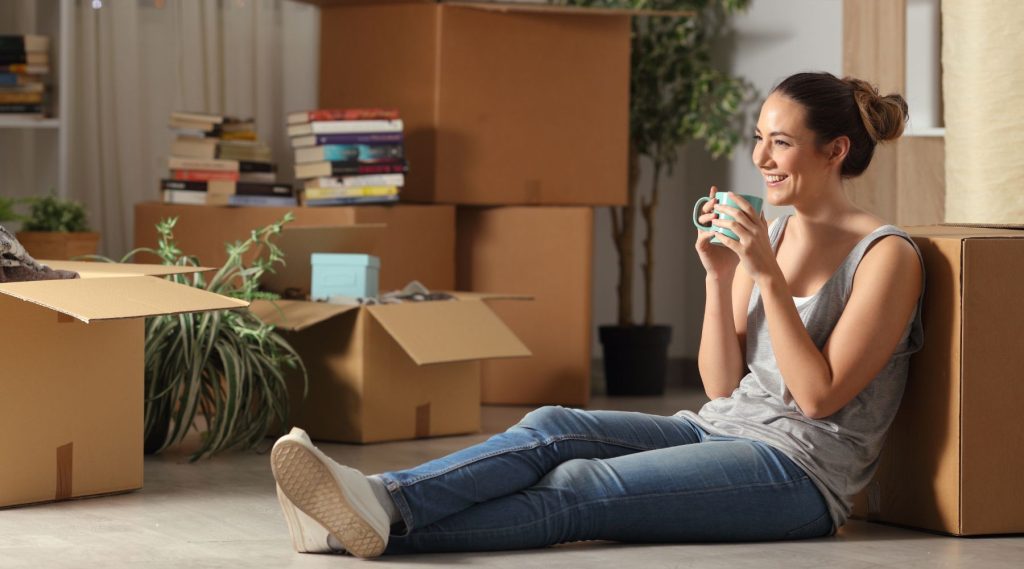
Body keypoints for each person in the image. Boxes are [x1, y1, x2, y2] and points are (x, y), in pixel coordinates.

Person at [268, 71, 925, 558]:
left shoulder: (886, 256)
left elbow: (815, 397)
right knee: (555, 426)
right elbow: (722, 386)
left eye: (780, 143)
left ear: (835, 151)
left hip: (800, 475)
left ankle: (354, 524)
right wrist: (718, 277)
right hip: (720, 428)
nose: (759, 159)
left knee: (580, 486)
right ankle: (377, 500)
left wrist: (764, 277)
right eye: (758, 139)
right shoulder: (776, 235)